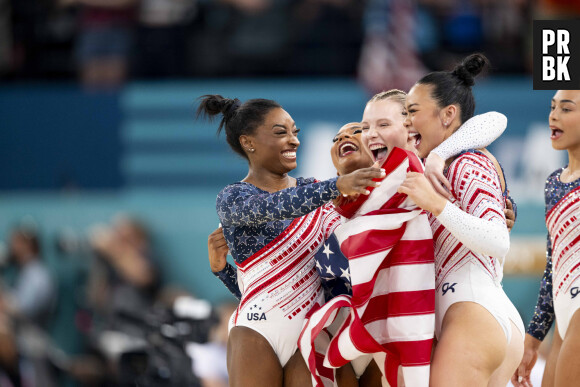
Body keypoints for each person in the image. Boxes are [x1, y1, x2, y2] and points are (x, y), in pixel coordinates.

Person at [198, 94, 385, 387]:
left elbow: (314, 279)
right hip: (257, 330)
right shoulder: (233, 197)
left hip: (313, 333)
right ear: (249, 142)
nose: (294, 141)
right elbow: (273, 208)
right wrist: (223, 272)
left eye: (295, 133)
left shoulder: (316, 191)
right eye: (280, 132)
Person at [397, 53, 524, 387]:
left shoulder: (465, 162)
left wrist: (437, 205)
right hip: (465, 311)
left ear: (448, 114)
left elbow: (498, 241)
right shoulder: (431, 165)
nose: (406, 122)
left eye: (412, 111)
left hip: (472, 310)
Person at [512, 90, 580, 387]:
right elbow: (554, 265)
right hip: (565, 309)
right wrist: (534, 337)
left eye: (566, 109)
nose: (554, 115)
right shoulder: (555, 182)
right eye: (552, 107)